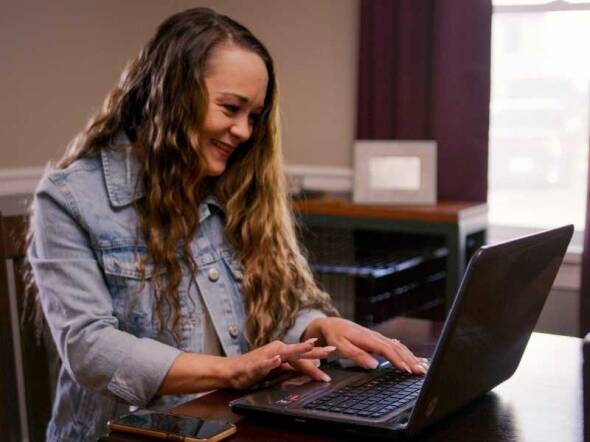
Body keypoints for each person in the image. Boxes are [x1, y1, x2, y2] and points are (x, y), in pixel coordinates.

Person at [27, 7, 428, 441]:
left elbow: (275, 308)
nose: (243, 131)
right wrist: (232, 371)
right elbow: (89, 349)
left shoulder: (233, 188)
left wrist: (315, 327)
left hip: (227, 426)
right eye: (231, 108)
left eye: (254, 116)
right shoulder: (69, 199)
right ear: (171, 95)